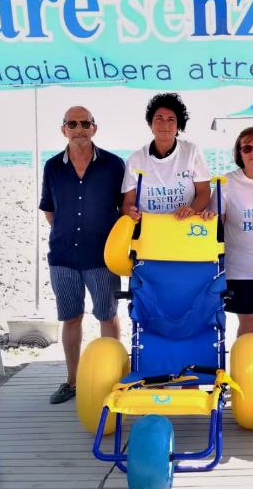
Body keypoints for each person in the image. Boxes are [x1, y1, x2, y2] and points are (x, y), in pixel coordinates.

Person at [40, 106, 125, 404]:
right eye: (72, 123)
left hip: (102, 257)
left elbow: (125, 209)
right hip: (63, 257)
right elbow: (49, 210)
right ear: (63, 129)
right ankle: (72, 381)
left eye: (85, 123)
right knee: (71, 318)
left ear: (94, 128)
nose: (79, 128)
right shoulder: (52, 167)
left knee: (107, 315)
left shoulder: (115, 165)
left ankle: (114, 380)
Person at [207, 127, 253, 338]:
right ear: (239, 153)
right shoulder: (225, 183)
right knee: (250, 325)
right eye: (247, 148)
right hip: (240, 270)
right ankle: (246, 371)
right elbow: (214, 223)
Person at [122, 92, 211, 221]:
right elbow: (128, 202)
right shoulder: (135, 159)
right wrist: (131, 212)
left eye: (171, 119)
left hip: (182, 226)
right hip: (148, 229)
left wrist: (192, 210)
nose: (165, 125)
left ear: (178, 126)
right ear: (150, 124)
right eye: (159, 119)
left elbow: (204, 191)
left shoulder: (192, 151)